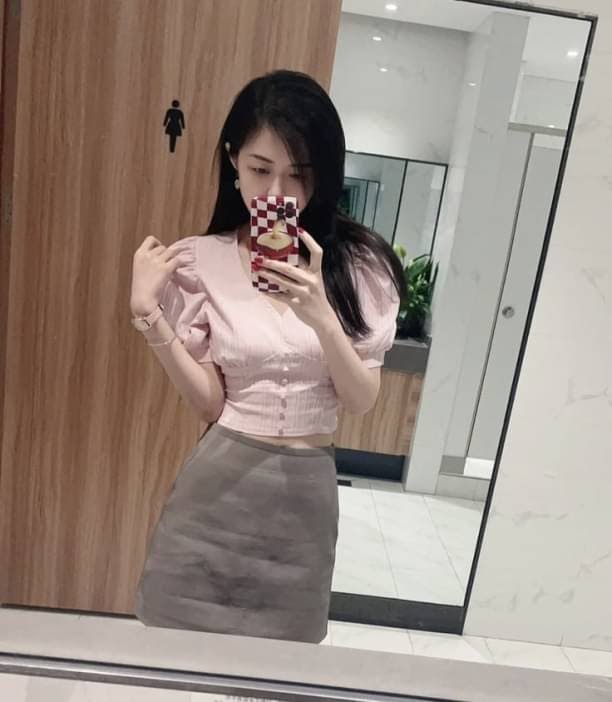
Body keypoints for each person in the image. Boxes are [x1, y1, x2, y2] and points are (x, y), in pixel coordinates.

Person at [129, 69, 406, 644]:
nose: (278, 191)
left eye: (298, 173)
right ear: (233, 161)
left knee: (282, 668)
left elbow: (360, 400)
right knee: (181, 659)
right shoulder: (200, 261)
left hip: (304, 501)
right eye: (260, 169)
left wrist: (322, 316)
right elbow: (210, 404)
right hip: (215, 494)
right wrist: (149, 315)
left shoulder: (358, 266)